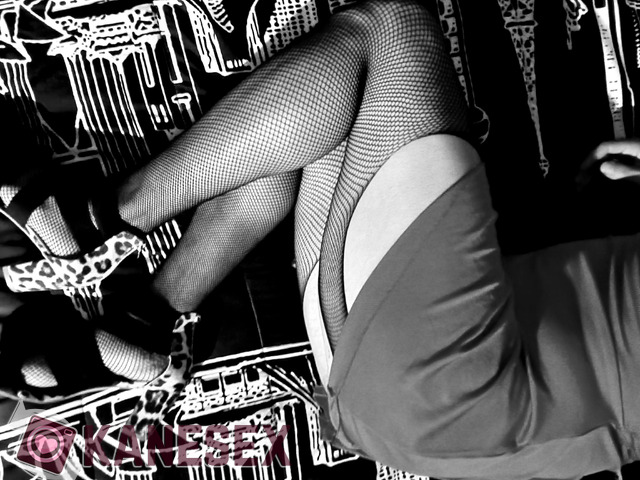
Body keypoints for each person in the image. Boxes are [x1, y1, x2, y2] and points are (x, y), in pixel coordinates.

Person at [2, 0, 640, 477]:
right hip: (411, 424)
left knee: (388, 30)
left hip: (460, 381)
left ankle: (94, 215)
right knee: (325, 116)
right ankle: (149, 317)